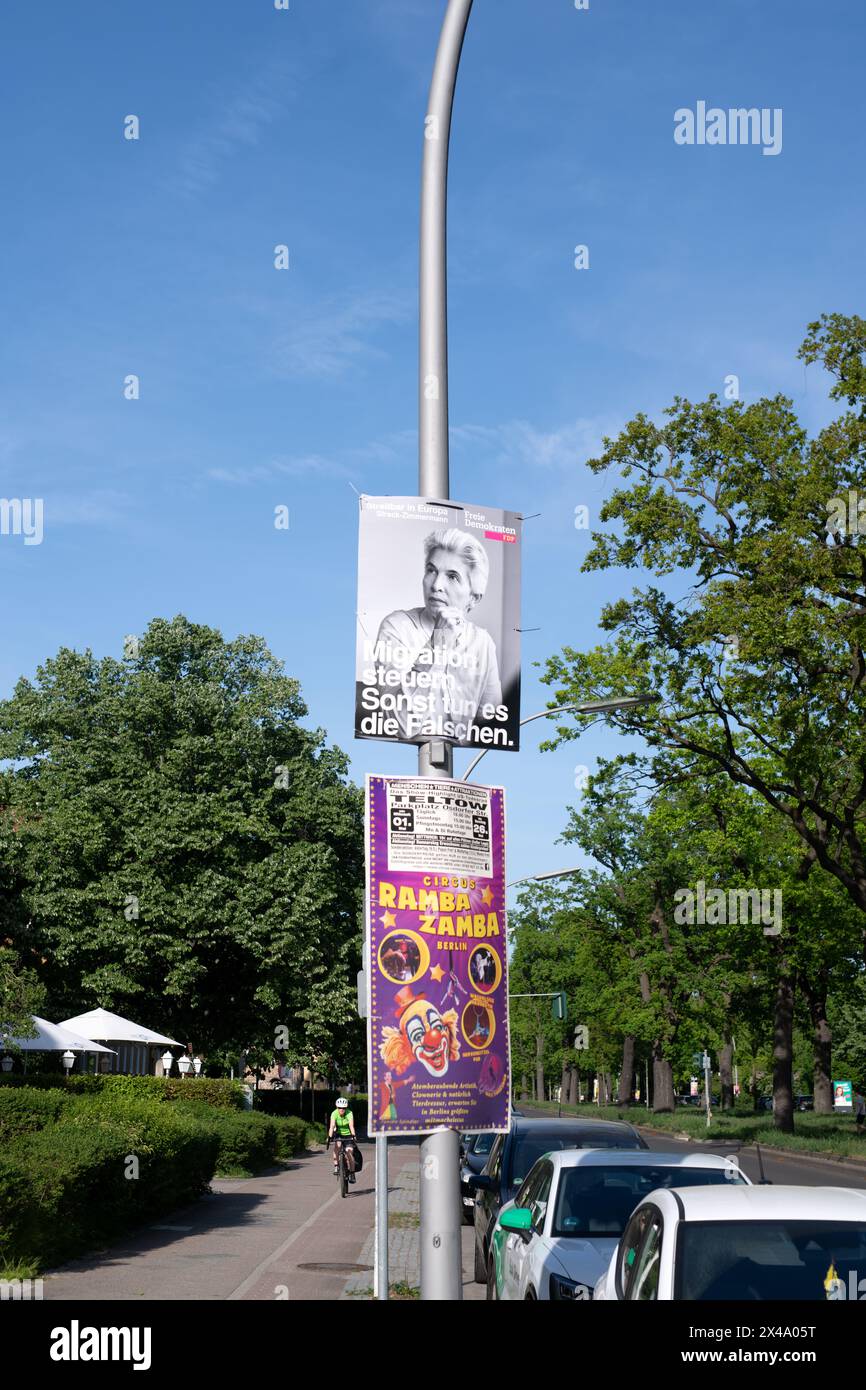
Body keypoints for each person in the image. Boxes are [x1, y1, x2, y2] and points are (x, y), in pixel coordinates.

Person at [373, 528, 502, 743]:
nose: (436, 585)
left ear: (474, 598)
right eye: (431, 570)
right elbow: (400, 724)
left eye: (452, 576)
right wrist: (438, 642)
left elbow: (490, 719)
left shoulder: (482, 642)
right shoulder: (396, 626)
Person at [328, 1097, 357, 1182]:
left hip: (348, 1135)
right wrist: (329, 1137)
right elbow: (332, 1126)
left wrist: (353, 1136)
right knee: (337, 1147)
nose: (342, 1109)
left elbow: (351, 1126)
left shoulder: (349, 1113)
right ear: (337, 1107)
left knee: (349, 1153)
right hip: (338, 1134)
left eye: (344, 1108)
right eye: (340, 1108)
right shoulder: (334, 1114)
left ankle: (352, 1173)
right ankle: (336, 1166)